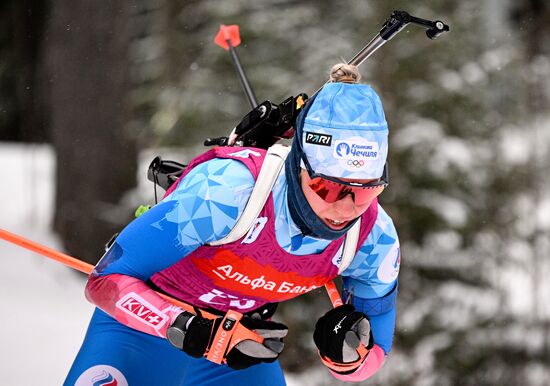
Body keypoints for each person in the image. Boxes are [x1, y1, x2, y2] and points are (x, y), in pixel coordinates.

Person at [64, 63, 400, 386]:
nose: (346, 208)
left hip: (236, 354)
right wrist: (187, 328)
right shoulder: (226, 191)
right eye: (327, 188)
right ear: (300, 165)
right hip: (140, 333)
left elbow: (373, 357)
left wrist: (348, 356)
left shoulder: (373, 238)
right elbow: (105, 280)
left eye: (367, 191)